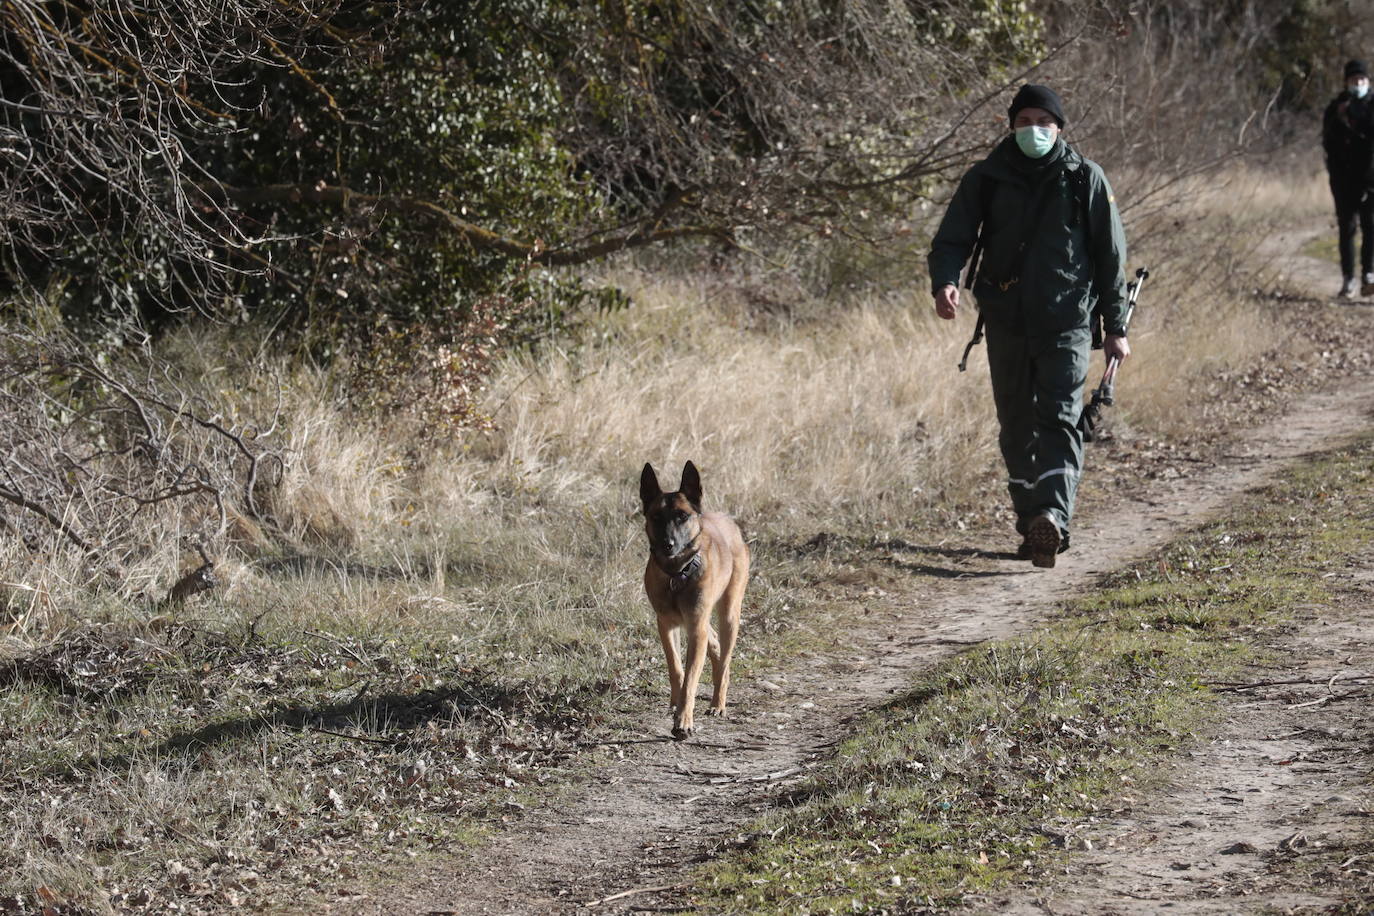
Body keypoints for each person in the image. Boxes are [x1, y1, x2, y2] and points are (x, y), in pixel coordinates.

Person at [927, 84, 1129, 568]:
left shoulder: (1086, 179)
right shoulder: (987, 178)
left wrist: (1115, 326)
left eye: (1043, 122)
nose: (1033, 130)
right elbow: (951, 238)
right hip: (1006, 321)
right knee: (1015, 426)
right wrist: (945, 283)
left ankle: (1053, 516)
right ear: (1010, 126)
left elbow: (1110, 256)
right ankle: (1030, 523)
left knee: (1060, 418)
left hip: (1068, 323)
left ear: (1059, 128)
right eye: (1023, 122)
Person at [1322, 59, 1374, 299]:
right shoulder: (1335, 109)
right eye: (1354, 80)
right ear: (1346, 82)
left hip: (1371, 181)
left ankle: (1369, 276)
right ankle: (1348, 279)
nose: (1358, 83)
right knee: (1347, 229)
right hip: (1344, 182)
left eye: (1362, 79)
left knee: (1371, 228)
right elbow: (1328, 146)